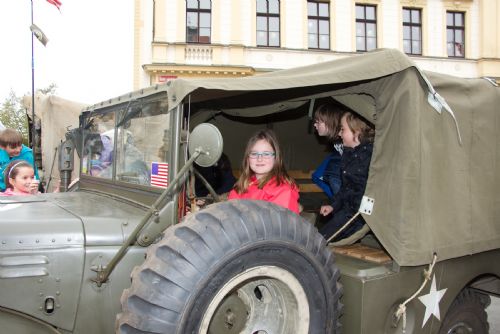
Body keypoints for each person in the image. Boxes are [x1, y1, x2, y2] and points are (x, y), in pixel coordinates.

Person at [319, 111, 374, 241]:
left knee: (321, 241)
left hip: (360, 216)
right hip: (347, 212)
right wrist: (333, 205)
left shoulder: (372, 157)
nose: (339, 134)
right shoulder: (348, 155)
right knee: (320, 238)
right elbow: (346, 188)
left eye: (343, 129)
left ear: (357, 132)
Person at [228, 129, 299, 214]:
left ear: (276, 157)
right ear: (248, 158)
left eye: (266, 154)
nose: (259, 159)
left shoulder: (284, 191)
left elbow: (279, 225)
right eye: (254, 154)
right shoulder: (242, 186)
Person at [312, 104, 343, 199]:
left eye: (318, 122)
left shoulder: (346, 139)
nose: (315, 125)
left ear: (329, 122)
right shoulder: (336, 142)